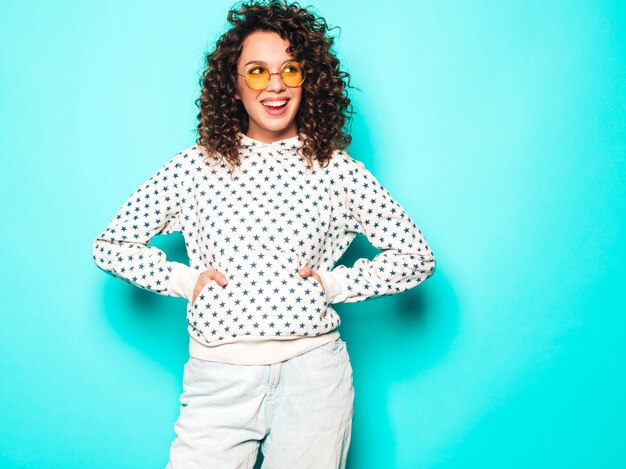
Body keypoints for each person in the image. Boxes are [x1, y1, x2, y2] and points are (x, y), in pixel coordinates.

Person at [91, 0, 436, 467]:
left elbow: (415, 256)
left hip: (314, 378)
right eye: (256, 71)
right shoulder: (196, 166)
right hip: (219, 378)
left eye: (289, 70)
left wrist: (336, 284)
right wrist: (184, 281)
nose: (274, 85)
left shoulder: (336, 170)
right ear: (233, 85)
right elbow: (112, 246)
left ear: (307, 80)